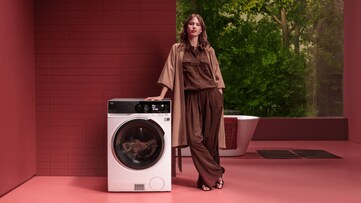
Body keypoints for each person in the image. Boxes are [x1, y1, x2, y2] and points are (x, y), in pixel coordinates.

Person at [146, 13, 225, 191]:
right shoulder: (177, 49)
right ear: (186, 27)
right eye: (191, 23)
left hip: (211, 96)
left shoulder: (208, 50)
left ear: (201, 29)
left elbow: (217, 75)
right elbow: (170, 71)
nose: (194, 26)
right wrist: (161, 95)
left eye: (197, 24)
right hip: (190, 98)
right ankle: (217, 172)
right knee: (195, 139)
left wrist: (219, 96)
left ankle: (206, 180)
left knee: (210, 140)